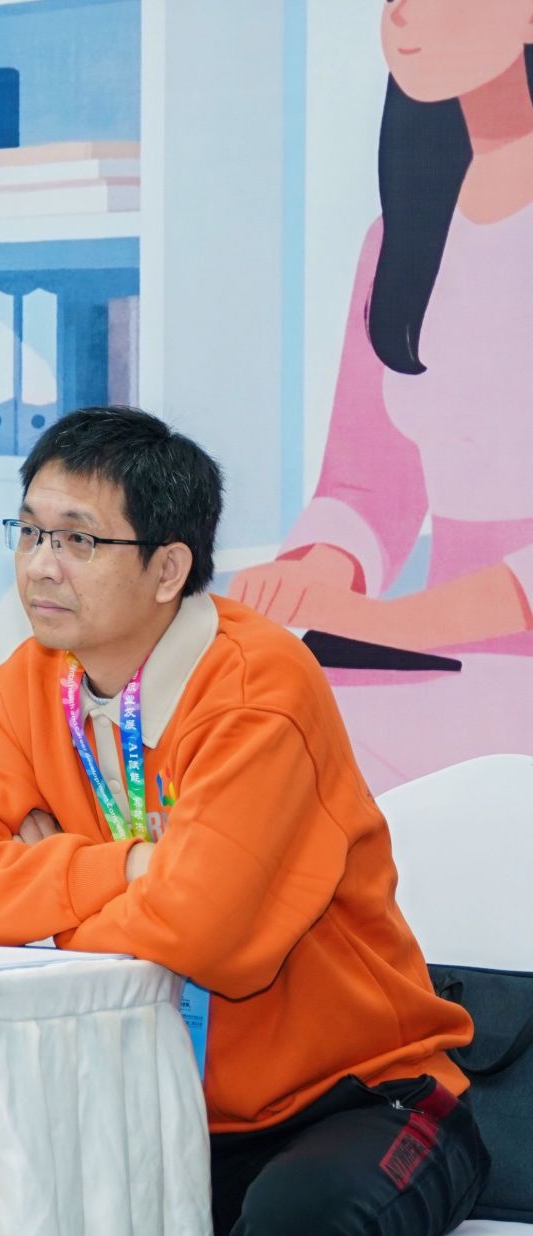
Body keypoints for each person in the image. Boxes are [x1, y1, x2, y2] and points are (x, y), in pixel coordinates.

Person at [0, 406, 485, 1236]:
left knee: (299, 1219)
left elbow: (202, 932)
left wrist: (43, 898)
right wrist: (129, 866)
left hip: (362, 1096)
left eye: (78, 540)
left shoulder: (259, 685)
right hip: (158, 1099)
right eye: (29, 531)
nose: (41, 564)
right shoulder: (26, 684)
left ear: (168, 568)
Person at [230, 2, 533, 789]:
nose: (403, 17)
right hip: (439, 661)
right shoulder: (398, 239)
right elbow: (369, 483)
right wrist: (316, 576)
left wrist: (392, 622)